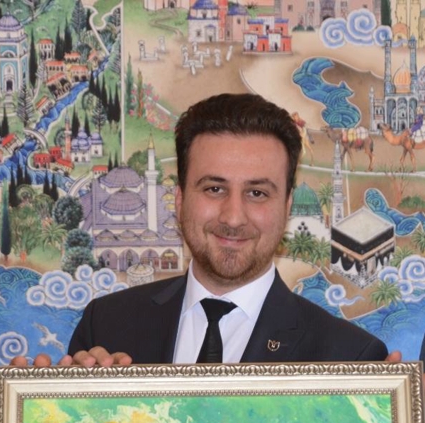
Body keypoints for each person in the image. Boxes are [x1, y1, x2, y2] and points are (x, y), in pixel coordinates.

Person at [67, 93, 390, 366]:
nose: (233, 218)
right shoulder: (106, 326)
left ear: (287, 207)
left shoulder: (349, 358)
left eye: (257, 193)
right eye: (214, 189)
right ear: (179, 199)